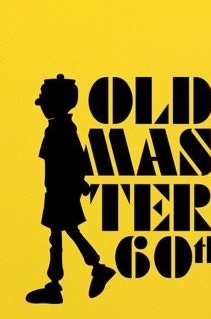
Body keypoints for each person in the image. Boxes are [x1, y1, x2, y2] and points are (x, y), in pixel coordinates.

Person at [26, 76, 115, 304]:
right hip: (57, 191)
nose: (42, 107)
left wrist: (75, 183)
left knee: (62, 235)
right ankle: (78, 274)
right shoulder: (60, 128)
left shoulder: (60, 130)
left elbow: (71, 161)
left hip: (60, 191)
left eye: (45, 101)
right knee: (63, 235)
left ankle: (69, 278)